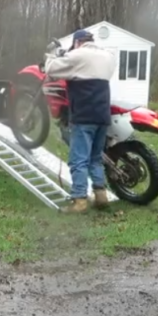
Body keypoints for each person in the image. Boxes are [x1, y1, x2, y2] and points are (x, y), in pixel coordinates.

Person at [44, 29, 117, 213]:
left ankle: (79, 201)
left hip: (84, 116)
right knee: (95, 159)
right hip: (102, 115)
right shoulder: (108, 56)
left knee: (79, 160)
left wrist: (52, 54)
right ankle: (101, 196)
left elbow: (52, 69)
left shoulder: (77, 55)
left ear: (77, 43)